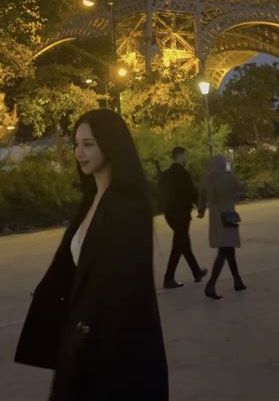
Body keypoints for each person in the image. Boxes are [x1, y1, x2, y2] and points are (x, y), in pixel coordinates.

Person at [15, 109, 168, 401]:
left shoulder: (128, 207)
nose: (79, 153)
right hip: (81, 341)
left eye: (89, 144)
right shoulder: (91, 200)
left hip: (110, 351)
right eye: (76, 144)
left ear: (111, 145)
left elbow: (127, 291)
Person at [197, 154, 246, 300]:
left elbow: (201, 196)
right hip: (227, 213)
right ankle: (211, 284)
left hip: (215, 214)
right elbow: (240, 189)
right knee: (225, 249)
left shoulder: (206, 178)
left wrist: (201, 211)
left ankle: (237, 281)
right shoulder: (228, 176)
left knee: (227, 248)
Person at [160, 146, 207, 289]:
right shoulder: (183, 174)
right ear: (180, 156)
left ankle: (196, 272)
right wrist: (200, 208)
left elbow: (160, 194)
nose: (187, 159)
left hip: (170, 214)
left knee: (183, 242)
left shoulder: (165, 174)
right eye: (185, 156)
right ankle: (169, 278)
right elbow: (192, 192)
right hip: (181, 214)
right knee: (179, 245)